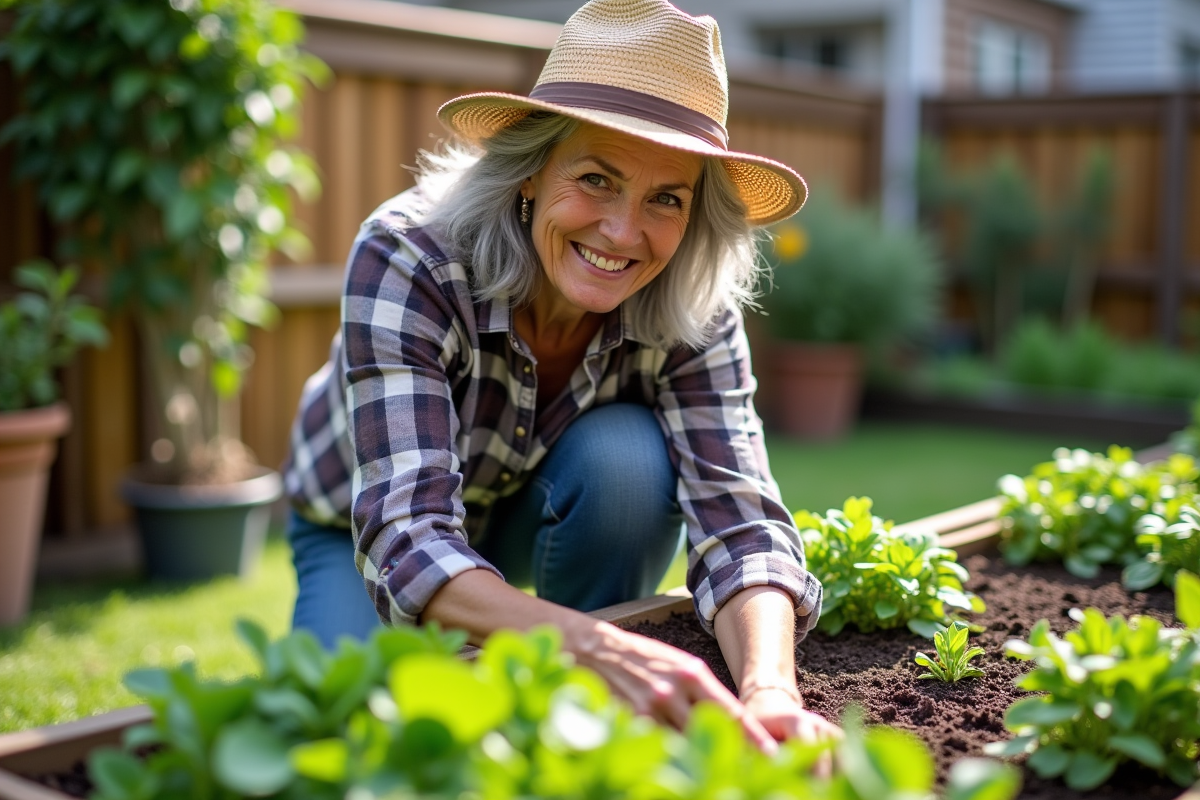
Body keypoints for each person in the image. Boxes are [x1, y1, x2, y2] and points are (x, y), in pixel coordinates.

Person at [282, 0, 839, 750]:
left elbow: (740, 519)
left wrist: (771, 690)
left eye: (665, 198)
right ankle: (579, 674)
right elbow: (404, 535)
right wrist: (605, 649)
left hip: (531, 508)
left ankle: (582, 725)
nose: (622, 232)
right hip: (361, 527)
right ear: (531, 172)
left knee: (625, 461)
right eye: (598, 179)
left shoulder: (689, 301)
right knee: (345, 735)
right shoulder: (411, 254)